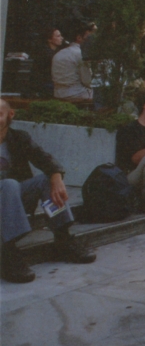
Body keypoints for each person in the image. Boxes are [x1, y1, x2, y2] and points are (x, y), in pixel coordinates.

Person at [1, 99, 96, 284]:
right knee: (10, 184)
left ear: (10, 115)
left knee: (46, 180)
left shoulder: (19, 138)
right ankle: (7, 252)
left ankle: (63, 239)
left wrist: (56, 175)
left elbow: (43, 158)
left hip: (13, 199)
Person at [52, 22, 96, 102]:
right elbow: (87, 82)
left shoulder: (58, 54)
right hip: (78, 94)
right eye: (87, 36)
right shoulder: (80, 54)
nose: (90, 39)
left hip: (58, 94)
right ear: (79, 38)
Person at [31, 28, 65, 98]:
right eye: (58, 36)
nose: (61, 38)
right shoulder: (45, 53)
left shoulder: (58, 52)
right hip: (46, 83)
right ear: (49, 39)